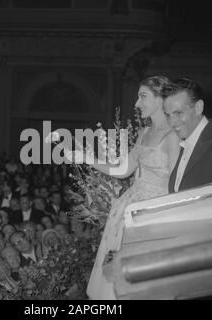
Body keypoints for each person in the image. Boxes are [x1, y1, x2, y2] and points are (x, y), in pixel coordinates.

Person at [83, 76, 181, 299]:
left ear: (160, 99)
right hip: (127, 209)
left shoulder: (173, 136)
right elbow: (122, 170)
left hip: (153, 214)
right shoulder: (144, 133)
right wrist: (85, 157)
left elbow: (177, 185)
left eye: (143, 96)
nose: (137, 103)